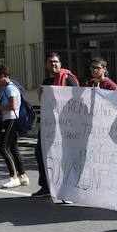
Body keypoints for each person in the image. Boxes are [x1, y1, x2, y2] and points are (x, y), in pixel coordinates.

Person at [32, 52, 80, 198]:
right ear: (46, 65)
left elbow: (77, 98)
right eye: (51, 62)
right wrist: (41, 93)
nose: (54, 64)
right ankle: (45, 186)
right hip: (49, 124)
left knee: (65, 155)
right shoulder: (46, 81)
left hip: (66, 125)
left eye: (56, 62)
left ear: (60, 63)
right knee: (41, 152)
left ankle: (69, 188)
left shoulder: (68, 79)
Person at [0, 66, 29, 189]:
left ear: (2, 76)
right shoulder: (6, 88)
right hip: (9, 120)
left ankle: (13, 177)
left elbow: (13, 105)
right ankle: (23, 176)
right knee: (13, 148)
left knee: (3, 149)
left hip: (10, 120)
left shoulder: (10, 88)